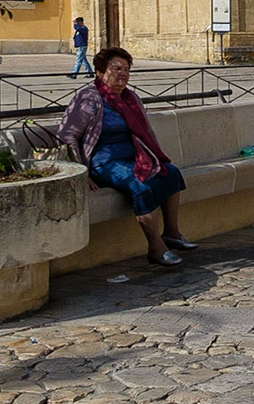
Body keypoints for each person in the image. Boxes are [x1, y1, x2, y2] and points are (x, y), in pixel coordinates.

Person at [58, 47, 193, 267]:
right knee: (139, 187)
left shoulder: (131, 98)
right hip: (103, 162)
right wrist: (81, 171)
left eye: (126, 69)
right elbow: (67, 134)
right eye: (116, 68)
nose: (122, 73)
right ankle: (156, 248)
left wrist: (157, 157)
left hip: (134, 158)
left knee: (171, 173)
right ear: (100, 72)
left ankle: (172, 233)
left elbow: (147, 131)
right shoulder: (88, 98)